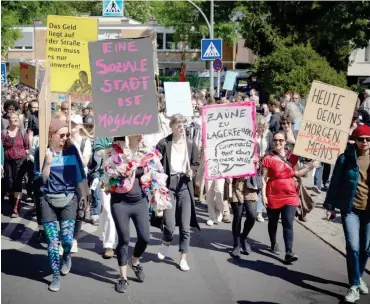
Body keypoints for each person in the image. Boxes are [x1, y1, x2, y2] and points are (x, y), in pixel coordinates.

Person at [103, 135, 170, 293]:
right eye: (137, 133)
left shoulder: (146, 150)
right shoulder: (114, 151)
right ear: (127, 134)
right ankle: (123, 277)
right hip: (120, 202)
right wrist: (125, 165)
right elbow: (107, 173)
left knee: (145, 237)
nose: (140, 136)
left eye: (142, 133)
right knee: (124, 239)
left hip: (139, 202)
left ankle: (134, 261)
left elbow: (157, 172)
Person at [34, 119, 86, 292]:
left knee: (66, 239)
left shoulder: (71, 150)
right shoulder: (41, 152)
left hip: (69, 198)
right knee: (52, 241)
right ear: (51, 135)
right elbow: (42, 179)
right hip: (47, 199)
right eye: (61, 135)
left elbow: (80, 175)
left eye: (67, 134)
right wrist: (47, 162)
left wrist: (85, 195)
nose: (65, 138)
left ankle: (67, 256)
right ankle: (55, 276)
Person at [324, 124, 370, 303]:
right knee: (353, 246)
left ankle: (358, 278)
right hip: (350, 208)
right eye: (361, 139)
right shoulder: (346, 158)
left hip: (368, 211)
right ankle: (354, 286)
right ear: (355, 140)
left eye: (368, 139)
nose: (364, 142)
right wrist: (330, 206)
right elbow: (334, 182)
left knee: (366, 248)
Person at [261, 131, 319, 263]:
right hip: (273, 194)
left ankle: (289, 252)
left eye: (281, 140)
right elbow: (263, 179)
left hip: (290, 193)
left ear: (285, 142)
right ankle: (273, 243)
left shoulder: (292, 157)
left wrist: (310, 167)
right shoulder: (268, 158)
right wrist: (263, 195)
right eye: (275, 140)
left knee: (288, 223)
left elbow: (297, 173)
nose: (278, 142)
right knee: (273, 222)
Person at [155, 114, 200, 271]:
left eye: (183, 124)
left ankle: (183, 257)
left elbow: (196, 163)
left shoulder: (190, 143)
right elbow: (155, 162)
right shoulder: (163, 143)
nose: (181, 127)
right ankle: (166, 241)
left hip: (184, 185)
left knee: (185, 227)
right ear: (171, 126)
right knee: (169, 224)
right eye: (178, 124)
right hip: (169, 185)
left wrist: (191, 171)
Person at [69, 115, 93, 253]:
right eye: (69, 123)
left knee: (79, 209)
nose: (71, 126)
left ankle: (74, 239)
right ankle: (65, 236)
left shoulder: (85, 142)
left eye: (73, 124)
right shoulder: (65, 139)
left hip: (80, 179)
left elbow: (84, 161)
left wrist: (73, 151)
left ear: (79, 126)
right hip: (65, 177)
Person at [230, 154, 261, 258]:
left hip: (250, 184)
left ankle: (243, 237)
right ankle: (236, 244)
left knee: (252, 216)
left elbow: (258, 168)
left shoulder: (255, 145)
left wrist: (257, 163)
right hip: (237, 184)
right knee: (237, 215)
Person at [1, 112, 29, 218]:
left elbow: (27, 146)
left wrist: (26, 155)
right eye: (13, 118)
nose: (16, 119)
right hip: (8, 161)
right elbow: (1, 147)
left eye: (17, 118)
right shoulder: (4, 133)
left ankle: (15, 208)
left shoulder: (22, 132)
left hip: (20, 161)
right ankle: (13, 201)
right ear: (9, 120)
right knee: (9, 182)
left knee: (17, 183)